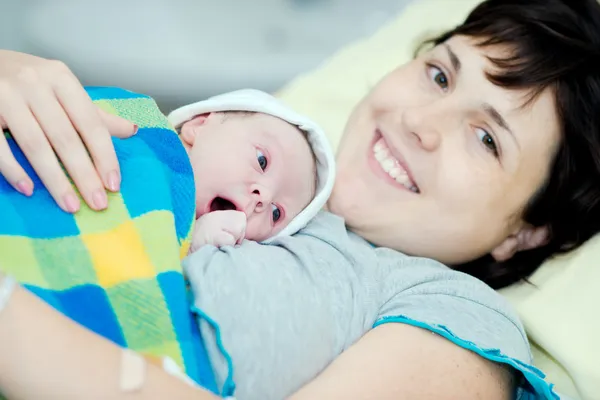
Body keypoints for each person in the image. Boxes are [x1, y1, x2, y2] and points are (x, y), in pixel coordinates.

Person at [0, 0, 599, 399]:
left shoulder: (454, 315)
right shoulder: (240, 143)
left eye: (487, 138)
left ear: (528, 231)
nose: (421, 120)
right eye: (440, 75)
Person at [168, 89, 335, 249]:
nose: (265, 196)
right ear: (198, 125)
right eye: (262, 161)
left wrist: (190, 243)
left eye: (276, 213)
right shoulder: (147, 139)